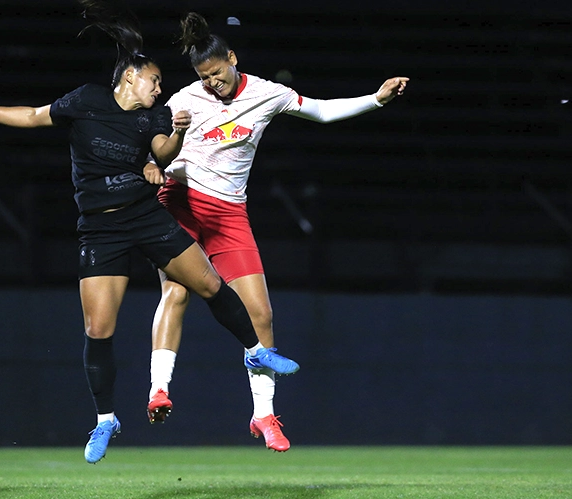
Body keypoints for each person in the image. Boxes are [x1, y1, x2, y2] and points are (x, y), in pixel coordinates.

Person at [0, 0, 298, 464]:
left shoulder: (155, 116)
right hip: (100, 229)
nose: (161, 88)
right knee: (98, 329)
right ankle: (105, 420)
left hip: (146, 217)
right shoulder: (85, 100)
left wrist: (171, 142)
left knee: (210, 284)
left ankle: (255, 351)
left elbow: (162, 149)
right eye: (155, 80)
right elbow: (33, 116)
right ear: (131, 76)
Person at [145, 12, 409, 452]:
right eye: (204, 77)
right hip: (181, 203)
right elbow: (151, 142)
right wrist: (151, 164)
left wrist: (377, 99)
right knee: (176, 293)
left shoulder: (268, 93)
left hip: (229, 216)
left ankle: (263, 416)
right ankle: (158, 389)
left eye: (216, 73)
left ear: (232, 58)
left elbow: (321, 112)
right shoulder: (184, 98)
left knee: (261, 315)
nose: (212, 83)